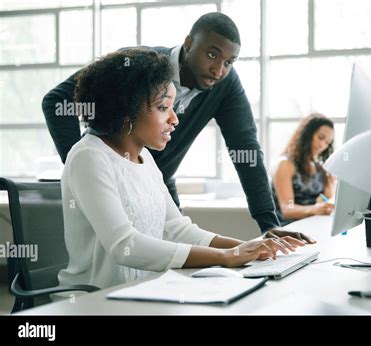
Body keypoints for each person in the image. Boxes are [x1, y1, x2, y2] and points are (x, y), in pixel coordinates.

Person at [42, 12, 314, 243]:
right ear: (188, 45)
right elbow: (57, 101)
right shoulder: (142, 65)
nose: (219, 70)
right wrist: (82, 164)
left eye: (229, 63)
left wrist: (268, 224)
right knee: (117, 259)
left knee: (176, 257)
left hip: (158, 181)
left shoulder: (225, 85)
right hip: (111, 178)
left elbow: (246, 150)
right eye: (212, 54)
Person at [58, 49, 305, 290]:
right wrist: (226, 256)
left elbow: (177, 229)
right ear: (127, 109)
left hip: (142, 295)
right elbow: (126, 246)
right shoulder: (88, 157)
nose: (175, 119)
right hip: (96, 303)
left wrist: (249, 247)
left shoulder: (145, 157)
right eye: (164, 108)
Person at [272, 113, 336, 226]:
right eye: (320, 137)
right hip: (288, 228)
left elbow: (327, 199)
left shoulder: (319, 167)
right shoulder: (286, 164)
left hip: (311, 224)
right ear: (307, 134)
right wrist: (314, 209)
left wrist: (330, 179)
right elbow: (287, 209)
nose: (323, 145)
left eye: (327, 142)